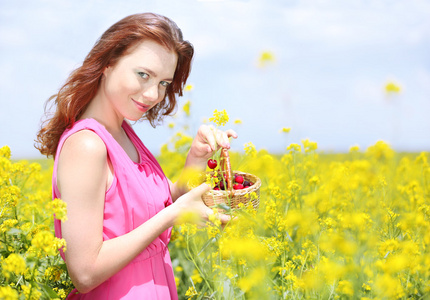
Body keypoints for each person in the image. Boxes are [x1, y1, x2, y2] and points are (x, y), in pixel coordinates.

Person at [35, 12, 236, 299]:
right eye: (143, 75)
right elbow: (85, 273)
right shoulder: (87, 146)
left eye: (164, 83)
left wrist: (196, 159)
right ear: (107, 64)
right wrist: (172, 216)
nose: (154, 94)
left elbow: (163, 201)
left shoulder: (124, 134)